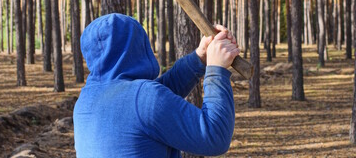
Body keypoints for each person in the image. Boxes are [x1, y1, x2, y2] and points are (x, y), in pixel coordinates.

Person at [73, 13, 240, 158]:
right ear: (140, 45)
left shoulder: (85, 101)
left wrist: (199, 58)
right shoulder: (144, 98)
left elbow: (150, 104)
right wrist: (216, 70)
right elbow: (214, 136)